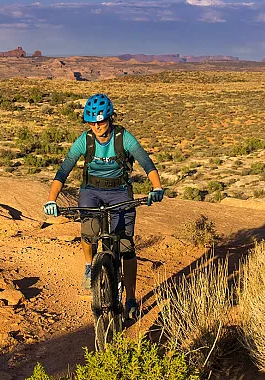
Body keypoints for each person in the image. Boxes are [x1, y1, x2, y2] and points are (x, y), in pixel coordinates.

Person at [43, 93, 164, 319]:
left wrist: (156, 187)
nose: (97, 126)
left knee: (126, 246)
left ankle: (130, 299)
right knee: (89, 233)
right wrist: (52, 199)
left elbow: (147, 163)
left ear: (110, 118)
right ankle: (90, 265)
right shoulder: (84, 141)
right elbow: (64, 170)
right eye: (92, 122)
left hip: (120, 191)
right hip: (92, 191)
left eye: (100, 121)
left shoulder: (123, 137)